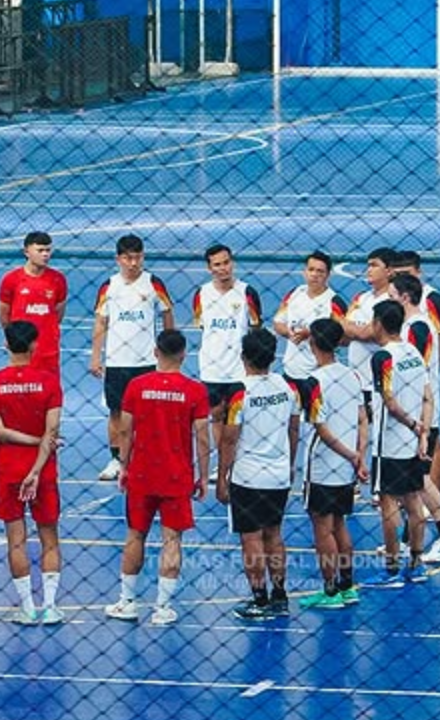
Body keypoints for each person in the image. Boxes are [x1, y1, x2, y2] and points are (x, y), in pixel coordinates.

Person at [102, 329, 208, 626]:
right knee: (171, 538)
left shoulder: (137, 386)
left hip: (142, 472)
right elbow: (202, 437)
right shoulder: (194, 390)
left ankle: (127, 602)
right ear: (184, 355)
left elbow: (125, 430)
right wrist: (202, 475)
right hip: (176, 475)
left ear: (155, 352)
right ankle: (162, 607)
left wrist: (124, 465)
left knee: (135, 534)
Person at [0, 321, 65, 625]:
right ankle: (51, 605)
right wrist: (40, 449)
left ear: (6, 345)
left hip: (8, 468)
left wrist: (28, 441)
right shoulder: (49, 383)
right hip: (43, 468)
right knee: (49, 538)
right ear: (34, 345)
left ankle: (28, 607)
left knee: (15, 539)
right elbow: (52, 430)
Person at [216, 329, 300, 620]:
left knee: (251, 538)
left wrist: (222, 476)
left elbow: (229, 438)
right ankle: (280, 595)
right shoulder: (286, 387)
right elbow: (293, 428)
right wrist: (289, 463)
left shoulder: (240, 391)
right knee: (274, 534)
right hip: (278, 474)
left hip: (248, 477)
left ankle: (259, 600)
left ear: (243, 357)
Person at [88, 235, 174, 482]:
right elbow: (100, 322)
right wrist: (96, 357)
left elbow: (167, 313)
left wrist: (168, 348)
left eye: (138, 257)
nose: (133, 263)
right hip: (116, 362)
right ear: (118, 259)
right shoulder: (109, 286)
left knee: (151, 413)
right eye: (128, 258)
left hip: (147, 362)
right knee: (116, 412)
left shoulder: (154, 284)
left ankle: (148, 458)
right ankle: (117, 459)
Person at [359, 300, 432, 589]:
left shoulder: (382, 358)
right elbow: (427, 395)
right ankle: (416, 563)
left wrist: (414, 426)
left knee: (388, 505)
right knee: (414, 502)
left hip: (389, 443)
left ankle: (390, 569)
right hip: (413, 443)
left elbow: (389, 401)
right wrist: (423, 433)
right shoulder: (413, 351)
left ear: (378, 323)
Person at [390, 274, 440, 564]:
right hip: (416, 415)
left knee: (419, 480)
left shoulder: (417, 328)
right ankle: (411, 542)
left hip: (419, 417)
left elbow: (414, 375)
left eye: (393, 296)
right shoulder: (414, 325)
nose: (390, 301)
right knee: (414, 482)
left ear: (405, 297)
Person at [298, 319, 368, 610]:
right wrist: (358, 455)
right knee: (340, 523)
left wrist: (350, 455)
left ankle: (329, 591)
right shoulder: (353, 376)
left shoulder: (314, 382)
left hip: (324, 464)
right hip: (347, 465)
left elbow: (321, 429)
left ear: (313, 344)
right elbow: (363, 418)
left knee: (322, 527)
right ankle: (347, 585)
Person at [193, 244, 263, 453]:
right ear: (209, 268)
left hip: (240, 369)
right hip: (211, 368)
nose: (223, 268)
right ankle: (224, 456)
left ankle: (238, 457)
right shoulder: (201, 294)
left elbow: (255, 328)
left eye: (226, 263)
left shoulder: (247, 293)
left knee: (238, 415)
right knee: (216, 415)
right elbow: (202, 325)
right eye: (217, 264)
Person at [273, 251, 348, 411]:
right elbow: (277, 322)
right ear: (304, 272)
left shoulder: (334, 302)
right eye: (311, 270)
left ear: (328, 275)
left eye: (320, 271)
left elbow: (343, 338)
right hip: (291, 372)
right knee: (290, 422)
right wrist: (289, 332)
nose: (314, 275)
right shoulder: (294, 294)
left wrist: (313, 334)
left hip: (318, 374)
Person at [0, 232, 68, 375]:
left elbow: (58, 314)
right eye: (40, 250)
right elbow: (3, 313)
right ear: (26, 252)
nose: (45, 255)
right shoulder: (11, 279)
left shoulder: (58, 280)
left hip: (48, 350)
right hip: (21, 350)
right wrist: (11, 337)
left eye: (48, 250)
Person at [342, 248, 395, 423]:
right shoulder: (360, 298)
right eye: (368, 265)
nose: (369, 270)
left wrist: (356, 330)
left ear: (389, 271)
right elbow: (342, 326)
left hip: (377, 384)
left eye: (374, 265)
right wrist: (362, 331)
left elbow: (373, 333)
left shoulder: (391, 301)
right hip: (355, 381)